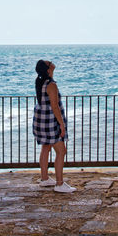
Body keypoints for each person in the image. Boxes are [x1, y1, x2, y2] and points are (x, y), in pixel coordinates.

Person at [33, 59, 76, 193]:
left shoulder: (40, 83)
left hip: (41, 121)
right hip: (50, 122)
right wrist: (62, 126)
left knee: (46, 148)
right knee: (61, 151)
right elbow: (55, 106)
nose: (52, 62)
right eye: (49, 62)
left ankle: (45, 179)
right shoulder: (51, 85)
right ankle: (59, 184)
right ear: (48, 69)